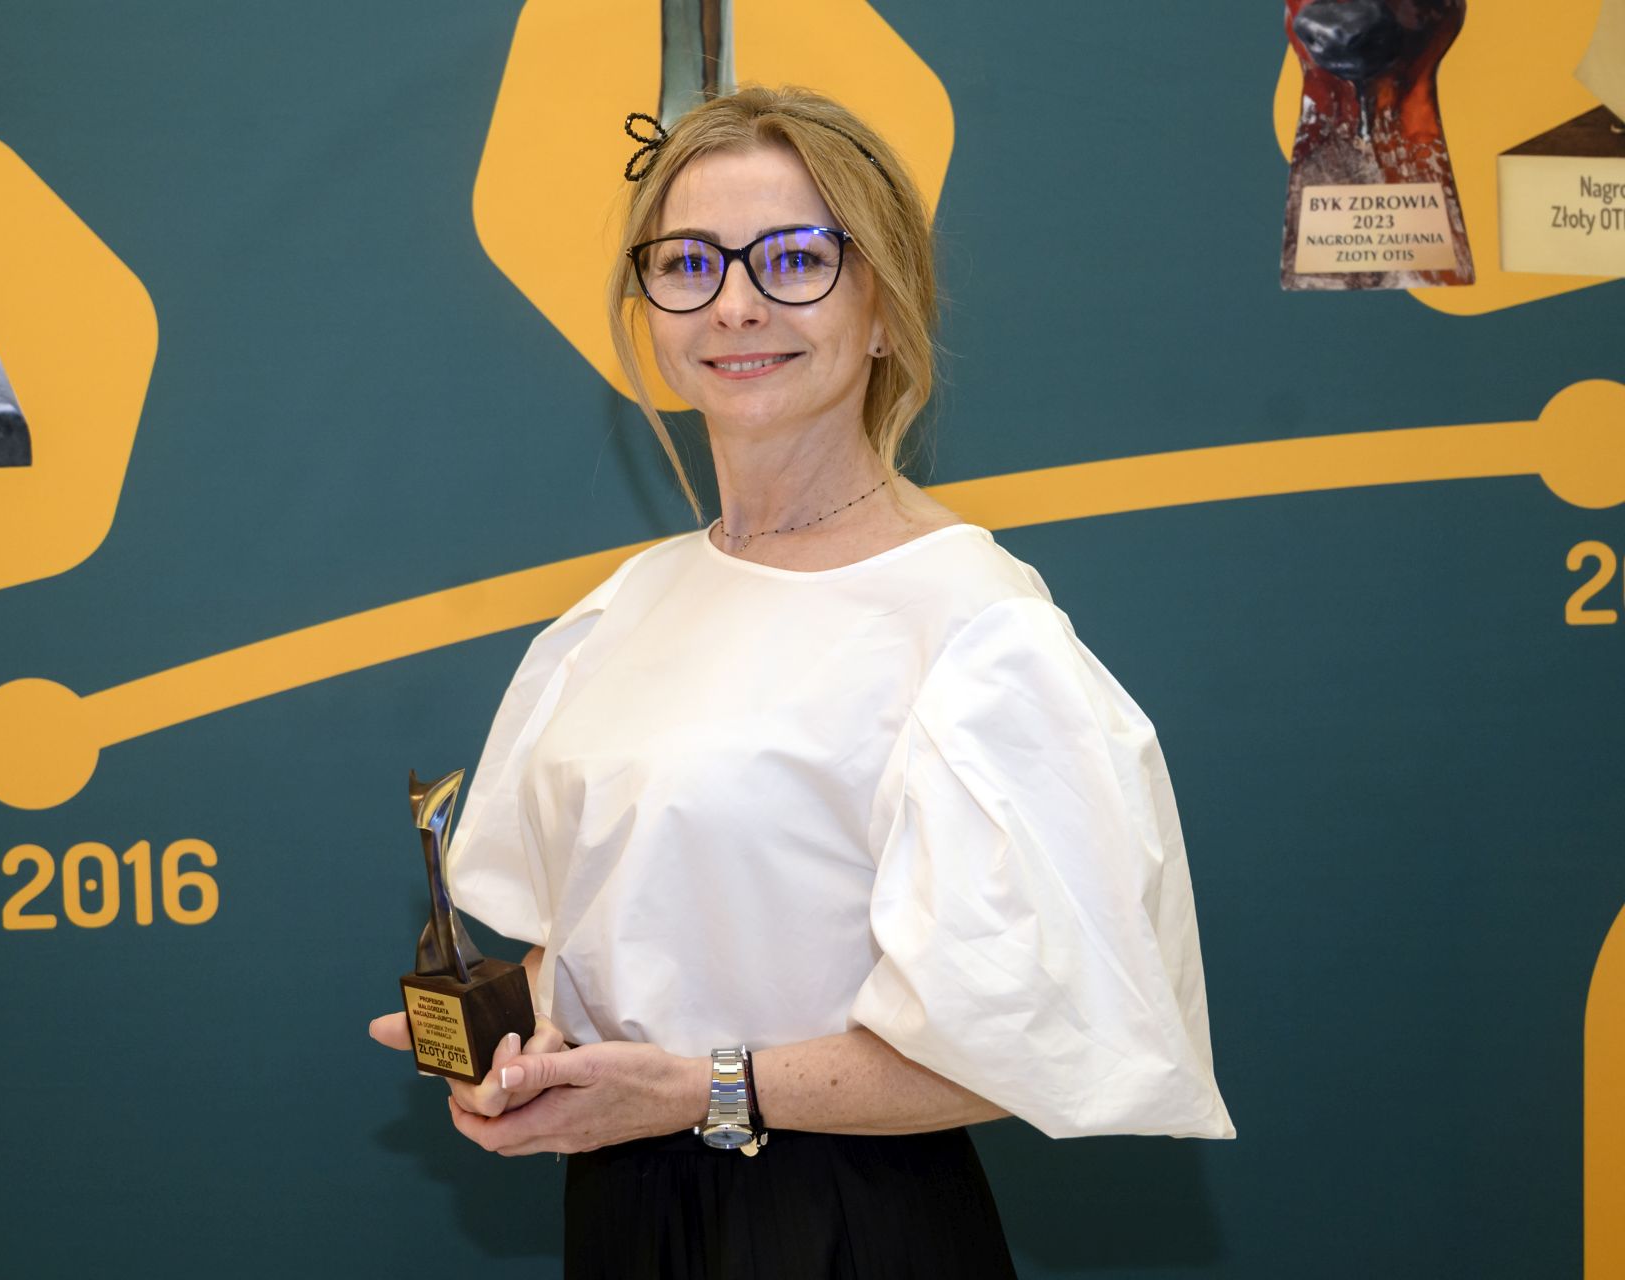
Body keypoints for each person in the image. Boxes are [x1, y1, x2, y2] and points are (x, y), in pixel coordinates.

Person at [369, 85, 1234, 1278]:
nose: (735, 303)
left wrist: (701, 1089)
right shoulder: (626, 607)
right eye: (689, 262)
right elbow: (607, 945)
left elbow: (1021, 1039)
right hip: (622, 1211)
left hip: (841, 1226)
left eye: (794, 258)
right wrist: (506, 1043)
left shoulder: (975, 624)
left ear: (883, 307)